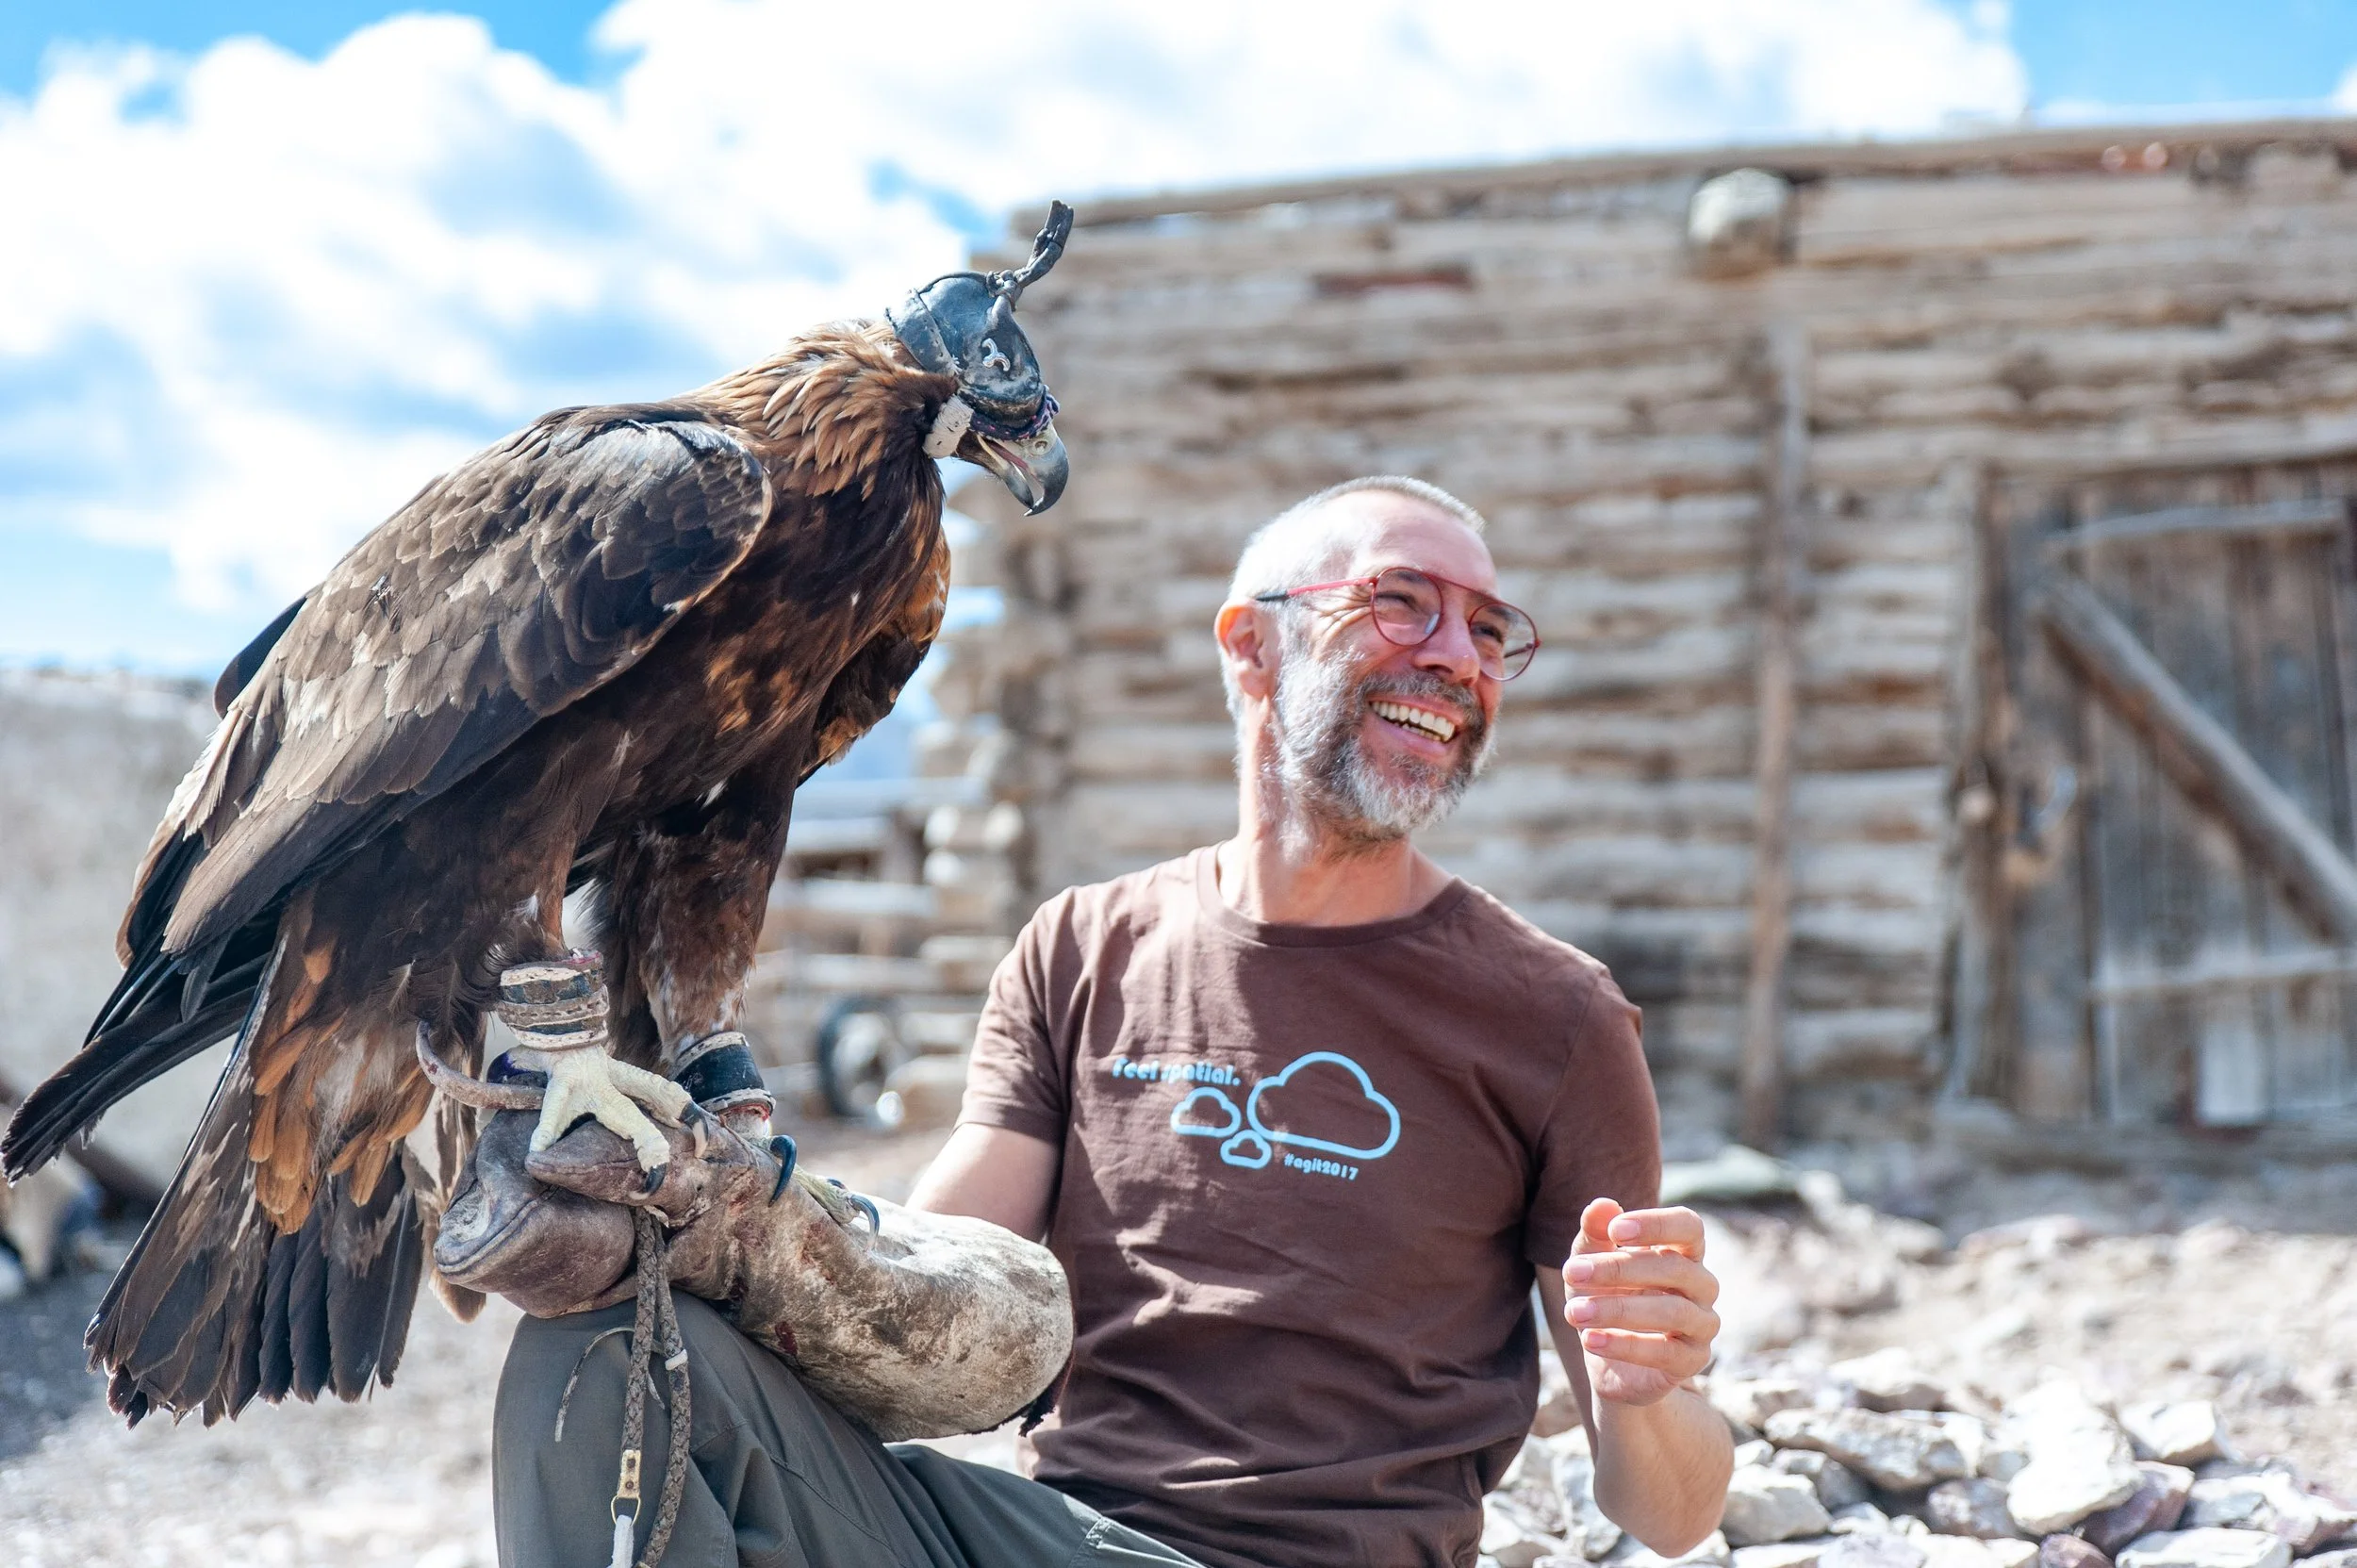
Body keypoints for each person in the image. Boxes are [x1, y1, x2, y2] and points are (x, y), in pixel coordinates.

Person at [491, 475, 1731, 1568]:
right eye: (1404, 600)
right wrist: (702, 1211)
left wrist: (1649, 1389)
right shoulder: (1083, 947)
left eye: (1491, 627)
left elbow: (1670, 1511)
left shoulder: (1557, 1016)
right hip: (1052, 1535)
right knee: (599, 1362)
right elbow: (923, 1288)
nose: (1459, 652)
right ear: (1253, 645)